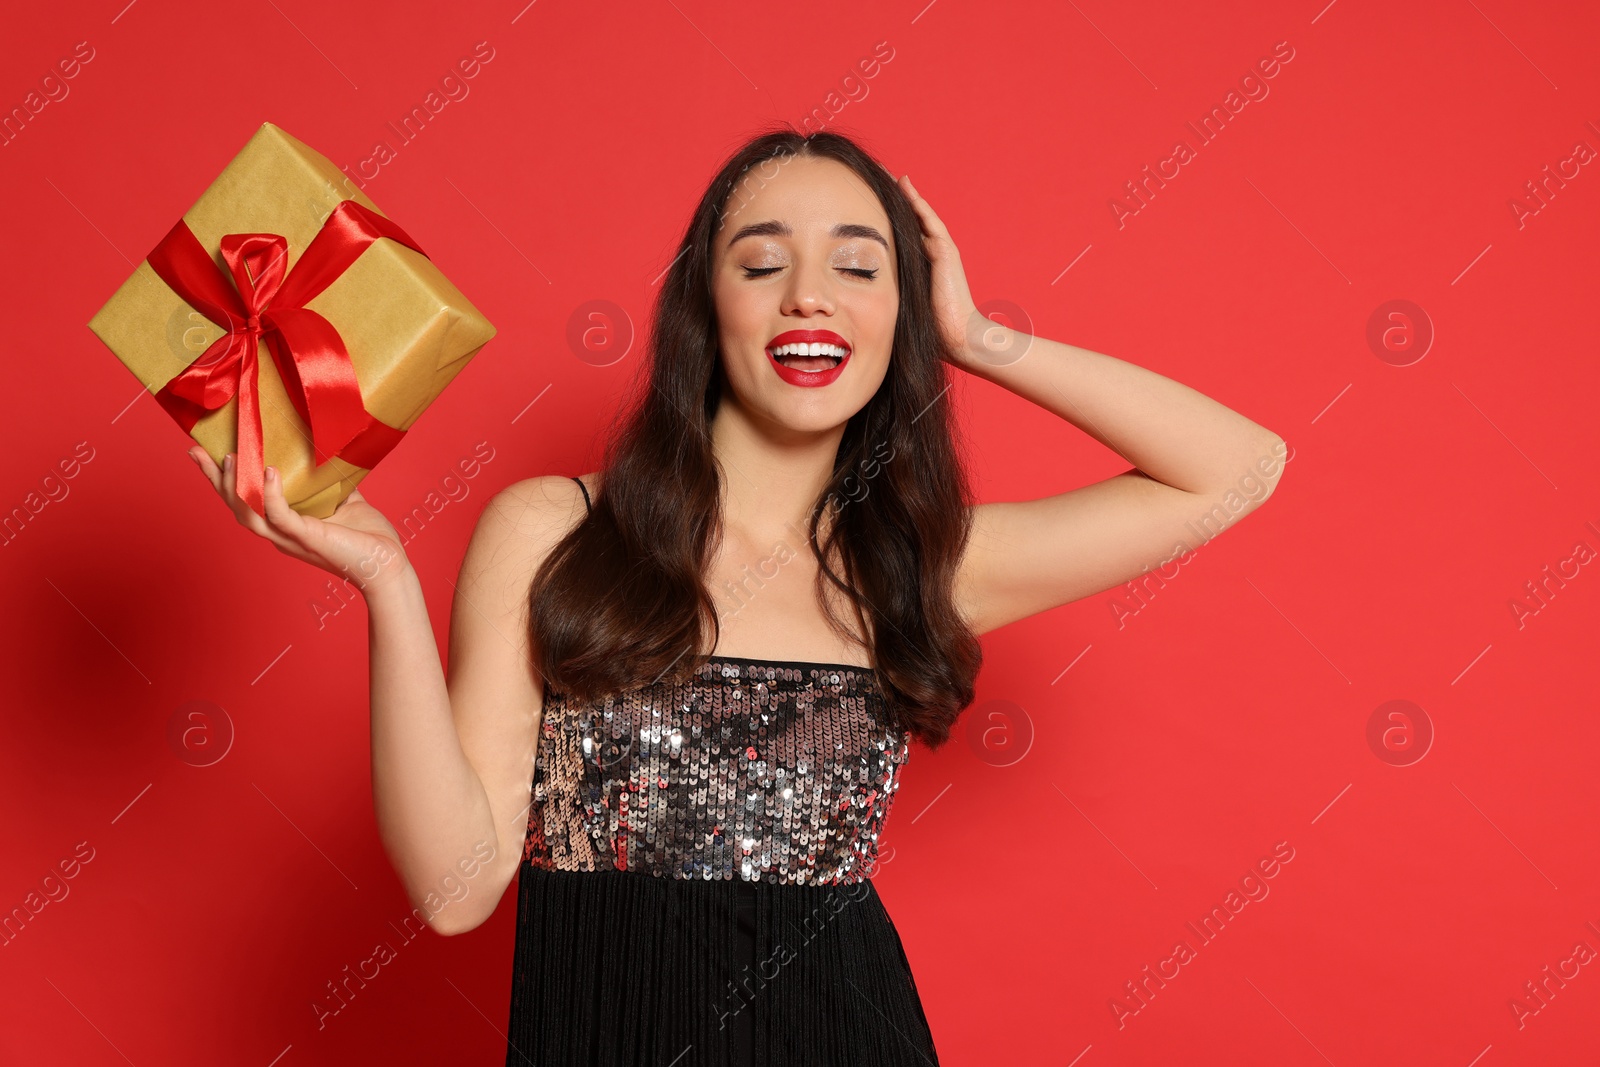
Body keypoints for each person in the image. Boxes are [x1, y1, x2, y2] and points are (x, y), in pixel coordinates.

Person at [188, 126, 1286, 1065]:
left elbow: (1237, 467)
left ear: (901, 315)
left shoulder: (919, 565)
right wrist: (383, 582)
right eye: (761, 262)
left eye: (861, 267)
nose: (810, 292)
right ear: (702, 305)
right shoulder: (554, 527)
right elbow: (455, 890)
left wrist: (982, 339)